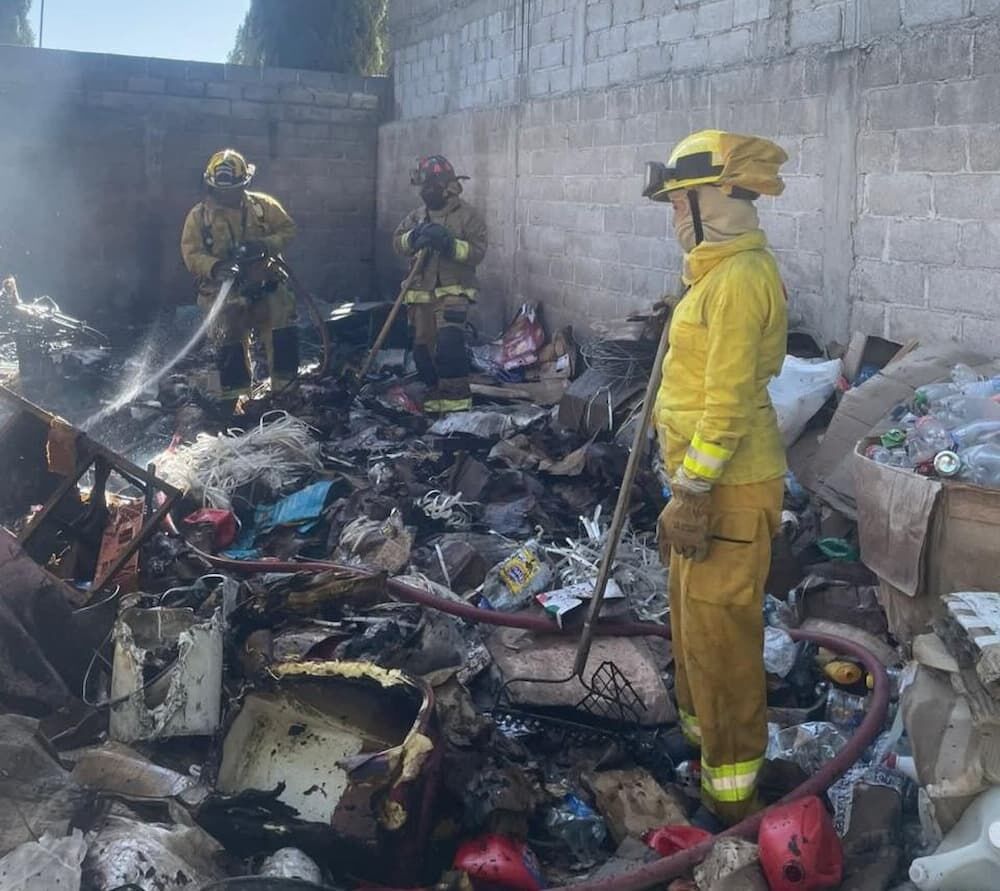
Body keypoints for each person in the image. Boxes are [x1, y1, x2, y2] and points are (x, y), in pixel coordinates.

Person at [644, 130, 789, 826]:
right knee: (692, 627)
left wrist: (694, 489)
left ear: (720, 199)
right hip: (699, 489)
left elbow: (728, 399)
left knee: (724, 642)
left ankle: (732, 798)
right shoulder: (713, 275)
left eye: (681, 202)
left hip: (726, 490)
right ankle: (702, 746)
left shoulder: (739, 279)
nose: (675, 217)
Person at [181, 149, 299, 406]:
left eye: (234, 189)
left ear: (245, 183)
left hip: (265, 286)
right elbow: (191, 253)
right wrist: (215, 267)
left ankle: (285, 392)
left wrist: (264, 245)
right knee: (228, 345)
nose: (227, 195)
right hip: (225, 294)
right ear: (210, 185)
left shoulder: (262, 207)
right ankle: (233, 401)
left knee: (283, 332)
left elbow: (288, 229)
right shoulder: (199, 217)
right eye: (221, 190)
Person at [392, 155, 487, 414]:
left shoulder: (468, 217)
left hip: (453, 292)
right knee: (423, 350)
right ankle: (434, 402)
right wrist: (414, 238)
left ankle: (456, 406)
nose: (425, 193)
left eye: (430, 187)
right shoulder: (418, 217)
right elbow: (397, 242)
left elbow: (478, 251)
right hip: (420, 294)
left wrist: (449, 244)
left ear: (448, 187)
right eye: (423, 188)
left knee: (449, 344)